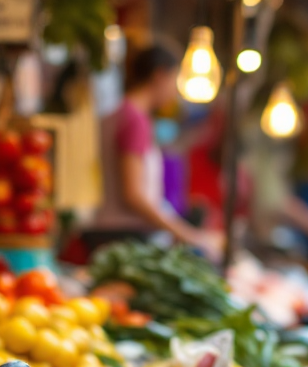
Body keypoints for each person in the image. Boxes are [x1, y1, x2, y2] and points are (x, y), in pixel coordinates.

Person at [85, 43, 221, 259]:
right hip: (124, 237)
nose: (175, 91)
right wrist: (187, 234)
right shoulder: (135, 119)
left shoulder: (117, 114)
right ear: (159, 76)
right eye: (174, 79)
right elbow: (134, 194)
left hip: (107, 231)